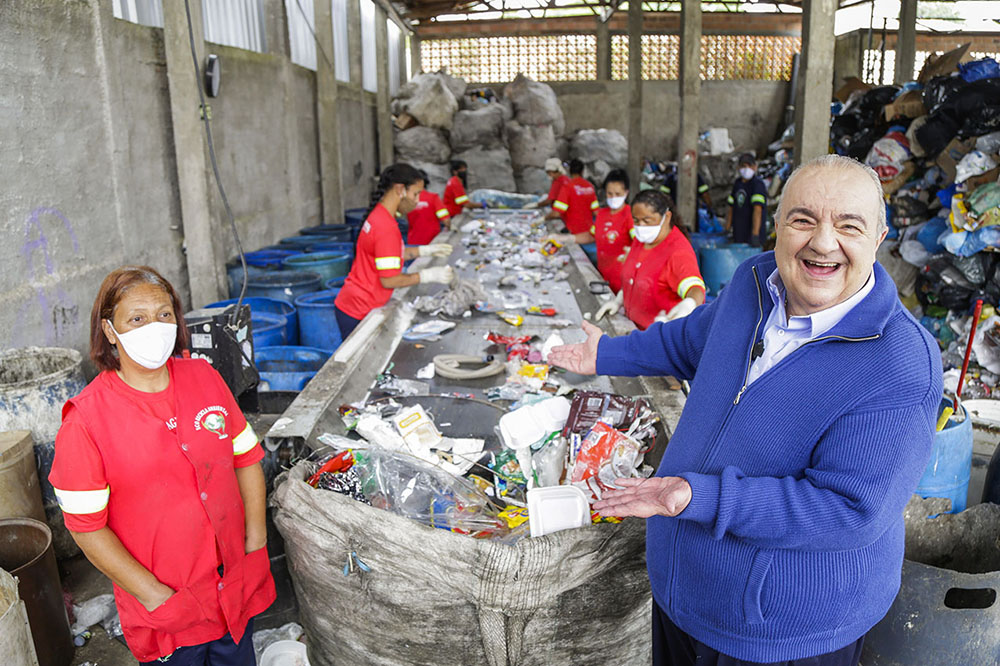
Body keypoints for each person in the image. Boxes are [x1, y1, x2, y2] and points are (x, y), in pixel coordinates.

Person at [549, 155, 942, 666]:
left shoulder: (900, 361)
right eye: (803, 220)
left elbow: (850, 511)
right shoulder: (755, 284)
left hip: (775, 631)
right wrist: (607, 354)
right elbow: (691, 340)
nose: (823, 243)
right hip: (680, 595)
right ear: (777, 225)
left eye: (849, 226)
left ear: (880, 236)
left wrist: (697, 495)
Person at [49, 266, 276, 665]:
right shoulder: (85, 421)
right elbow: (86, 528)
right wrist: (155, 595)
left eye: (164, 314)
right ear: (109, 329)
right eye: (136, 318)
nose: (154, 326)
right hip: (170, 610)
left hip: (234, 587)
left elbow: (246, 460)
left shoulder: (204, 377)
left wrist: (256, 540)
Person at [334, 163, 454, 337]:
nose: (417, 200)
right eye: (415, 193)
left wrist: (424, 251)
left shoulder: (379, 215)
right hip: (359, 309)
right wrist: (426, 276)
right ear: (400, 190)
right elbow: (389, 280)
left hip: (353, 302)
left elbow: (387, 255)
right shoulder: (385, 227)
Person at [595, 190, 705, 330]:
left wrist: (690, 303)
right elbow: (634, 276)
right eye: (636, 220)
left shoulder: (678, 252)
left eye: (647, 221)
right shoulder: (641, 240)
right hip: (633, 328)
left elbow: (695, 287)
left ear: (667, 217)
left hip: (657, 336)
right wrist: (619, 300)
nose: (641, 226)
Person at [547, 169, 633, 293]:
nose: (613, 197)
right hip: (604, 276)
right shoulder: (602, 214)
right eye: (610, 193)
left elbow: (640, 243)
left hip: (624, 281)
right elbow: (591, 236)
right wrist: (566, 238)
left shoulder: (630, 216)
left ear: (626, 193)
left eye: (618, 194)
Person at [725, 152, 769, 246]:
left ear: (755, 167)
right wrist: (727, 229)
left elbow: (757, 210)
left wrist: (755, 235)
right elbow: (731, 208)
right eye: (744, 166)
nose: (747, 169)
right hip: (739, 234)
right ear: (738, 168)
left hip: (752, 236)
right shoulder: (737, 184)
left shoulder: (757, 185)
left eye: (750, 165)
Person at [546, 159, 598, 234]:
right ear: (582, 171)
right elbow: (596, 212)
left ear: (569, 171)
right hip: (588, 230)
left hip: (573, 231)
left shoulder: (568, 187)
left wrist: (544, 218)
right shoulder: (590, 187)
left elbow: (557, 213)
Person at [407, 170, 451, 245]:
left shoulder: (408, 199)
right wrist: (449, 227)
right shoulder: (433, 198)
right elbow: (446, 220)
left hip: (413, 242)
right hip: (432, 241)